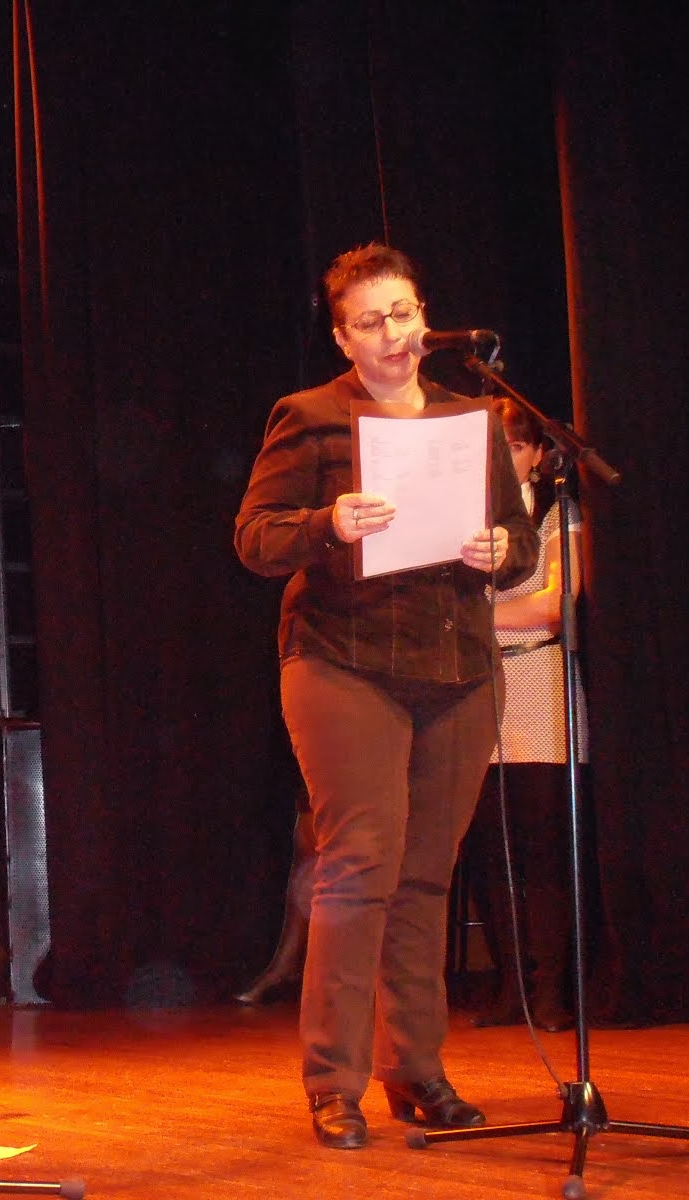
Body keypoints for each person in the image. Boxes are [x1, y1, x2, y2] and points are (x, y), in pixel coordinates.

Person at [233, 243, 539, 1150]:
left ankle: (418, 1072)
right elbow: (255, 537)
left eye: (404, 312)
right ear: (343, 336)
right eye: (372, 321)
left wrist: (500, 554)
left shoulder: (471, 419)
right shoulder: (312, 417)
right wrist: (328, 524)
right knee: (360, 864)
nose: (396, 333)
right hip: (342, 661)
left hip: (454, 668)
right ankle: (334, 1081)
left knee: (424, 877)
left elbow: (519, 544)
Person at [461, 398, 587, 1033]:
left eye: (513, 446)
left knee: (542, 848)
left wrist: (471, 619)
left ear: (538, 454)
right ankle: (510, 987)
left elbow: (551, 609)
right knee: (490, 846)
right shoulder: (463, 520)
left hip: (539, 681)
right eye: (494, 446)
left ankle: (551, 991)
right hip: (473, 688)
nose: (504, 458)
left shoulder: (559, 516)